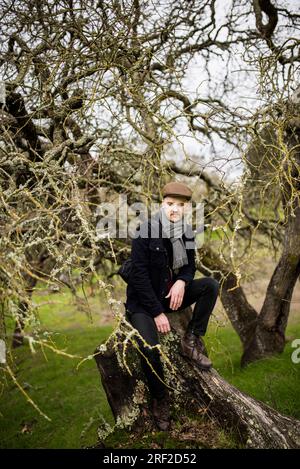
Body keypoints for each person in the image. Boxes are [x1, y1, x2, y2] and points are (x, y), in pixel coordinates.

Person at [125, 181, 219, 431]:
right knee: (149, 348)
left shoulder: (187, 232)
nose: (174, 210)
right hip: (143, 304)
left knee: (210, 285)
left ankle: (191, 340)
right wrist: (156, 312)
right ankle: (160, 397)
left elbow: (189, 266)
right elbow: (139, 276)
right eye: (170, 204)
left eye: (180, 205)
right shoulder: (145, 231)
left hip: (170, 294)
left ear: (187, 208)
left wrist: (181, 282)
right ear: (161, 204)